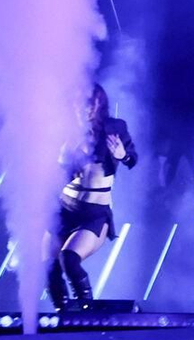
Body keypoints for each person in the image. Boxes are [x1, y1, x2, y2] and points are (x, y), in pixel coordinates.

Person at [48, 85, 137, 309]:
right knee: (48, 266)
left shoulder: (114, 128)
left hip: (94, 213)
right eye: (77, 102)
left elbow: (133, 159)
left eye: (87, 103)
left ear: (98, 105)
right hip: (64, 208)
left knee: (69, 258)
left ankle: (85, 313)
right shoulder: (64, 131)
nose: (81, 108)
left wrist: (123, 155)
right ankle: (62, 314)